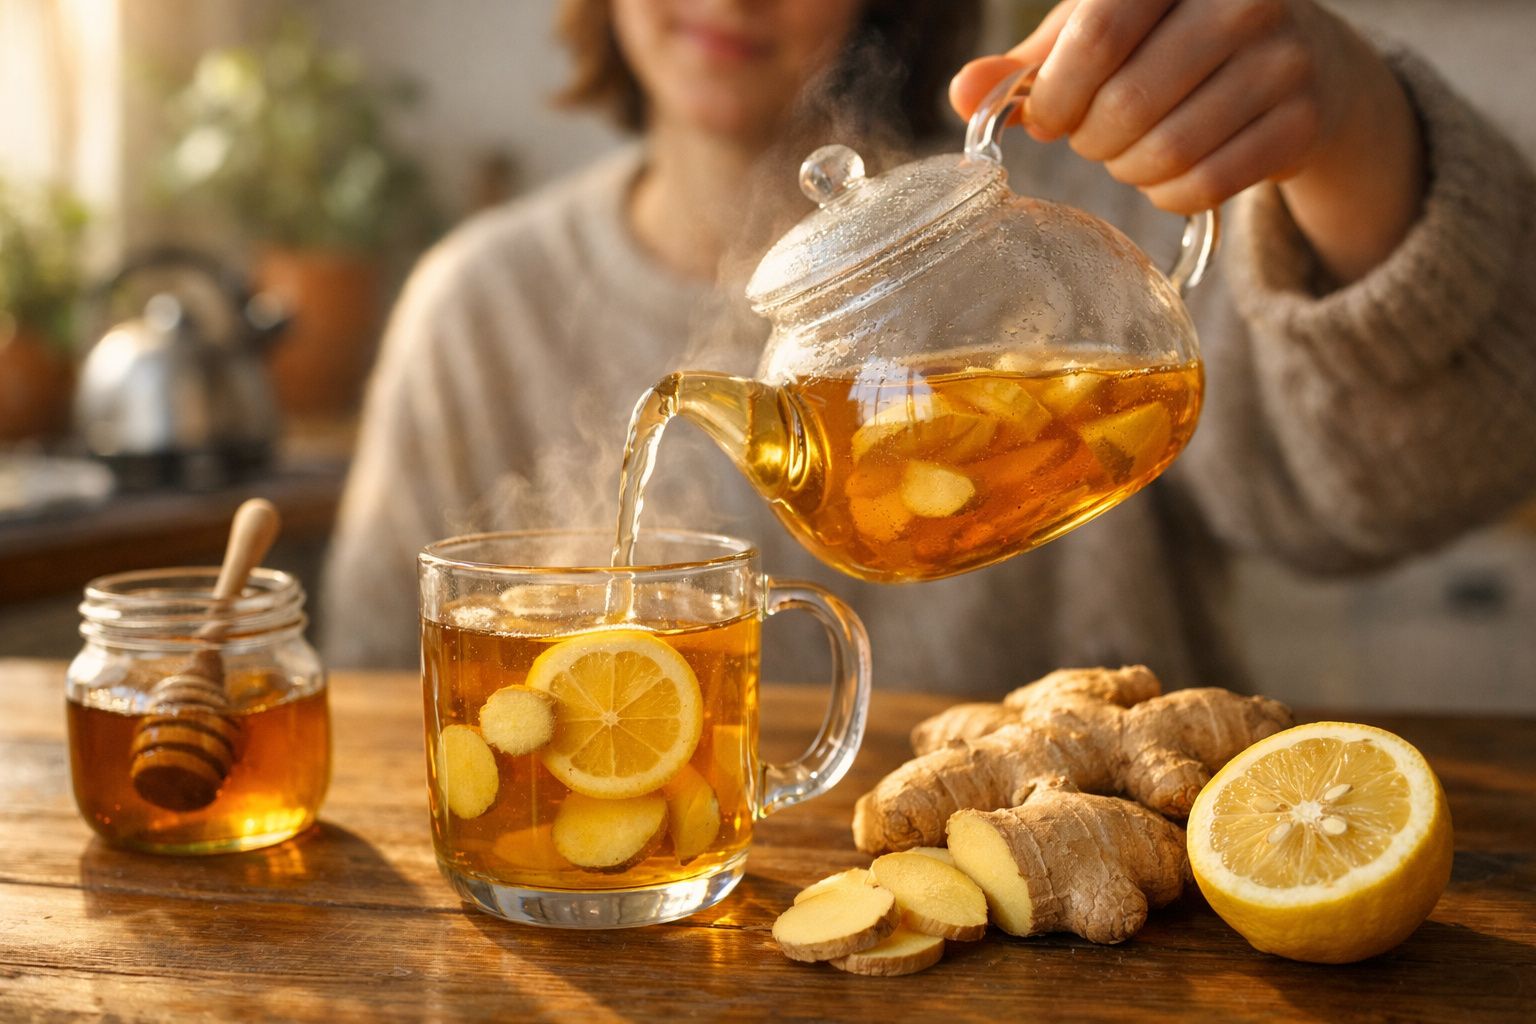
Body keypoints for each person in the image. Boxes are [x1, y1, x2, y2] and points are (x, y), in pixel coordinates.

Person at [323, 0, 1536, 697]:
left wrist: (1354, 125)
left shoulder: (1096, 206)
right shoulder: (474, 305)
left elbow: (1413, 485)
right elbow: (390, 691)